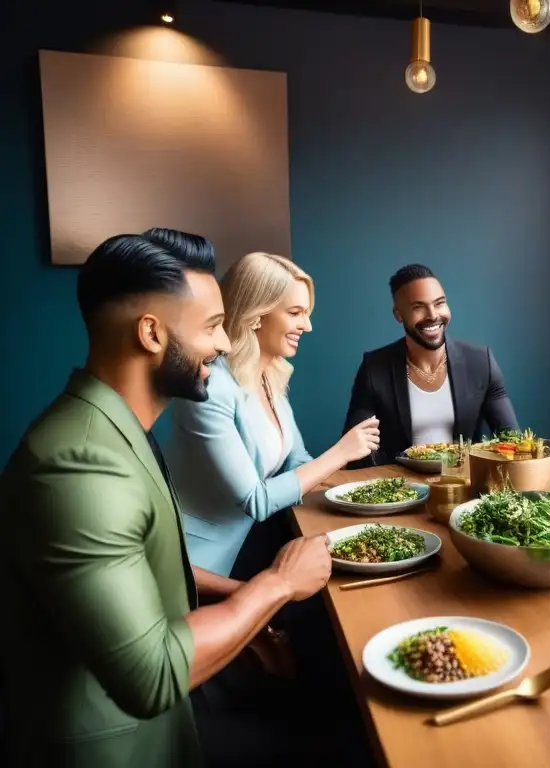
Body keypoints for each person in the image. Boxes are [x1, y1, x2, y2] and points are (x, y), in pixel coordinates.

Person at [0, 229, 334, 767]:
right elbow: (151, 676)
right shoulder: (80, 464)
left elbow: (155, 569)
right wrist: (276, 585)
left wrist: (244, 614)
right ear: (152, 334)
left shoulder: (118, 429)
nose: (225, 344)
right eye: (211, 328)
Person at [164, 252, 380, 577]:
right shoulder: (210, 389)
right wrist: (341, 453)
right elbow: (256, 500)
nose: (307, 326)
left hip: (251, 541)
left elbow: (296, 460)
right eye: (295, 313)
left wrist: (365, 494)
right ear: (256, 314)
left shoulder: (270, 374)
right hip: (201, 565)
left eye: (307, 313)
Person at [344, 263, 519, 464]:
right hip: (403, 488)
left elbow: (512, 439)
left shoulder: (481, 362)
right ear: (399, 315)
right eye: (418, 307)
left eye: (439, 303)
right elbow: (354, 450)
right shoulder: (374, 368)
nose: (433, 315)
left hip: (464, 483)